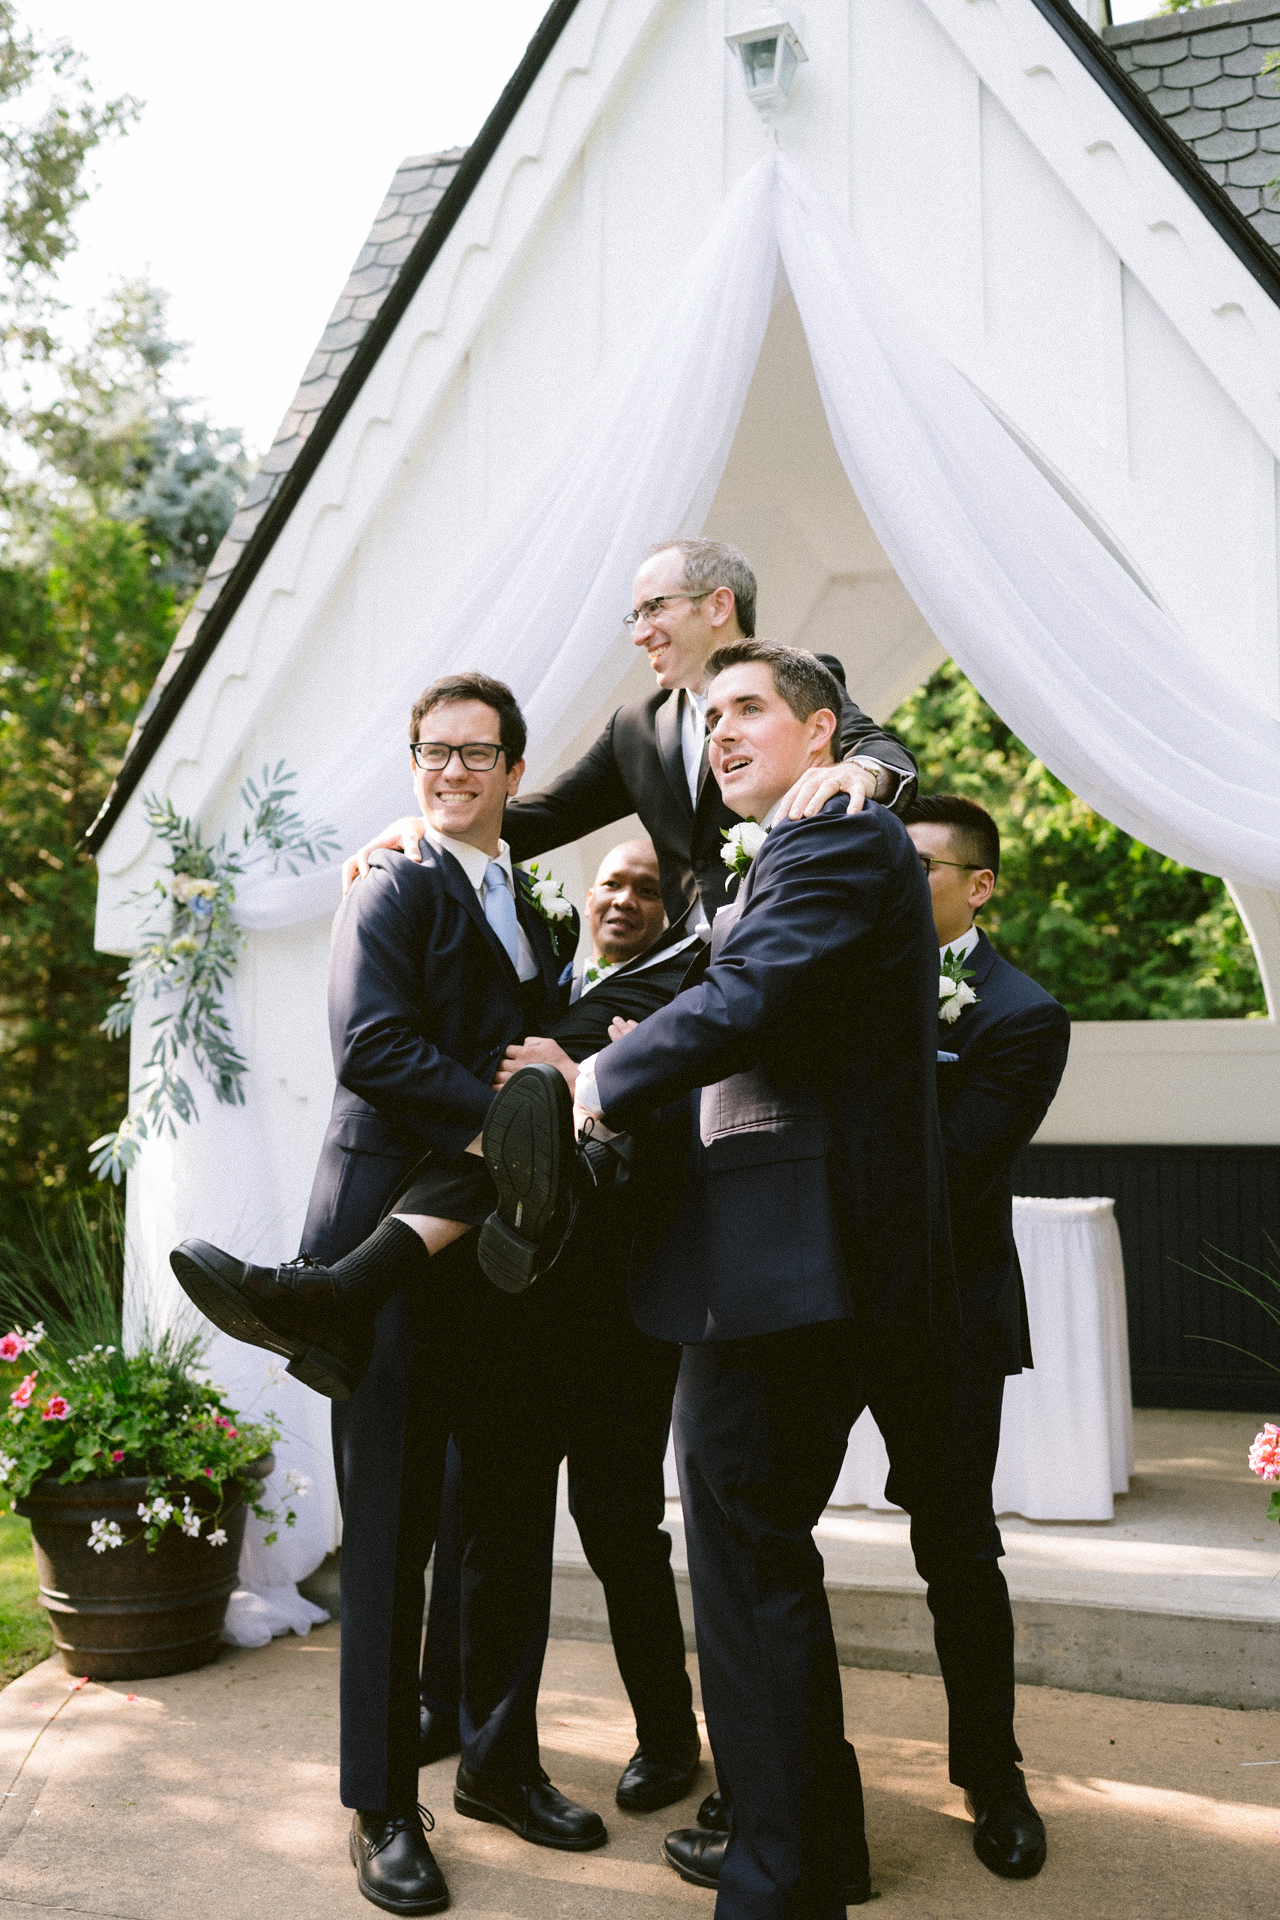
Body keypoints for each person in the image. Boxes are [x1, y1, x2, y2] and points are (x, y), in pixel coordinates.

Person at [485, 641, 955, 1915]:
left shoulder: (835, 837)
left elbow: (746, 1000)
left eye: (750, 709)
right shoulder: (796, 849)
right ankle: (815, 1842)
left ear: (822, 736)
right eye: (712, 717)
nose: (724, 731)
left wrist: (594, 1083)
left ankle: (776, 1877)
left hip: (784, 1271)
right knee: (762, 1561)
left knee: (747, 1570)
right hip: (785, 1266)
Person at [170, 674, 609, 1917]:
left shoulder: (530, 900)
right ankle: (379, 1806)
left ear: (514, 772)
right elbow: (371, 1046)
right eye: (432, 751)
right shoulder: (391, 881)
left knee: (509, 1515)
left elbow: (530, 1040)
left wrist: (557, 1092)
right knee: (395, 1531)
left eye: (476, 753)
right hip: (387, 1241)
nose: (450, 771)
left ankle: (499, 1765)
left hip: (505, 1259)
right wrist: (519, 1132)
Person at [688, 793, 1072, 1885]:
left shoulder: (1022, 1015)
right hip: (819, 1312)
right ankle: (791, 1797)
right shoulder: (835, 977)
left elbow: (947, 1170)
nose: (888, 885)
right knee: (770, 1542)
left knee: (957, 1551)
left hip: (942, 1324)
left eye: (919, 870)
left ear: (977, 886)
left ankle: (991, 1776)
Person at [417, 837, 708, 1815]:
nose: (624, 899)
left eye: (647, 890)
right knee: (490, 1521)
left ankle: (667, 1735)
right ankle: (462, 1718)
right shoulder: (534, 983)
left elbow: (684, 1144)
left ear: (673, 911)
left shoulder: (684, 1003)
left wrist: (590, 1076)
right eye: (611, 883)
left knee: (619, 1525)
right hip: (513, 1304)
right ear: (586, 896)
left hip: (623, 1313)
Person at [344, 536, 918, 932]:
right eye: (634, 617)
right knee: (547, 1049)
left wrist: (858, 769)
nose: (640, 634)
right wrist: (433, 826)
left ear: (718, 605)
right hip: (677, 953)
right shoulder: (636, 727)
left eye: (654, 609)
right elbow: (549, 815)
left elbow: (878, 750)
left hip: (772, 933)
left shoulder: (799, 682)